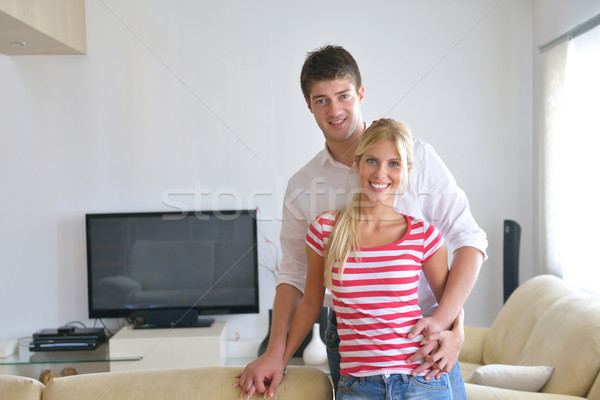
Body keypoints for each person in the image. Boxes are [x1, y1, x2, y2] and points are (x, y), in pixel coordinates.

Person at [235, 45, 487, 399]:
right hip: (353, 343)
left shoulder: (418, 158)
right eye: (321, 100)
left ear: (361, 93)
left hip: (426, 334)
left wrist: (451, 323)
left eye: (343, 95)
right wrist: (277, 352)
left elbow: (469, 240)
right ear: (308, 105)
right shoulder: (303, 186)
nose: (334, 110)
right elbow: (293, 277)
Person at [283, 118, 463, 399]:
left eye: (394, 163)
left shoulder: (424, 235)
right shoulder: (325, 230)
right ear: (357, 164)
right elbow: (310, 303)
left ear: (407, 171)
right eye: (372, 161)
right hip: (358, 387)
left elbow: (449, 301)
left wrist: (458, 335)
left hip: (420, 380)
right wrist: (278, 359)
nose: (381, 173)